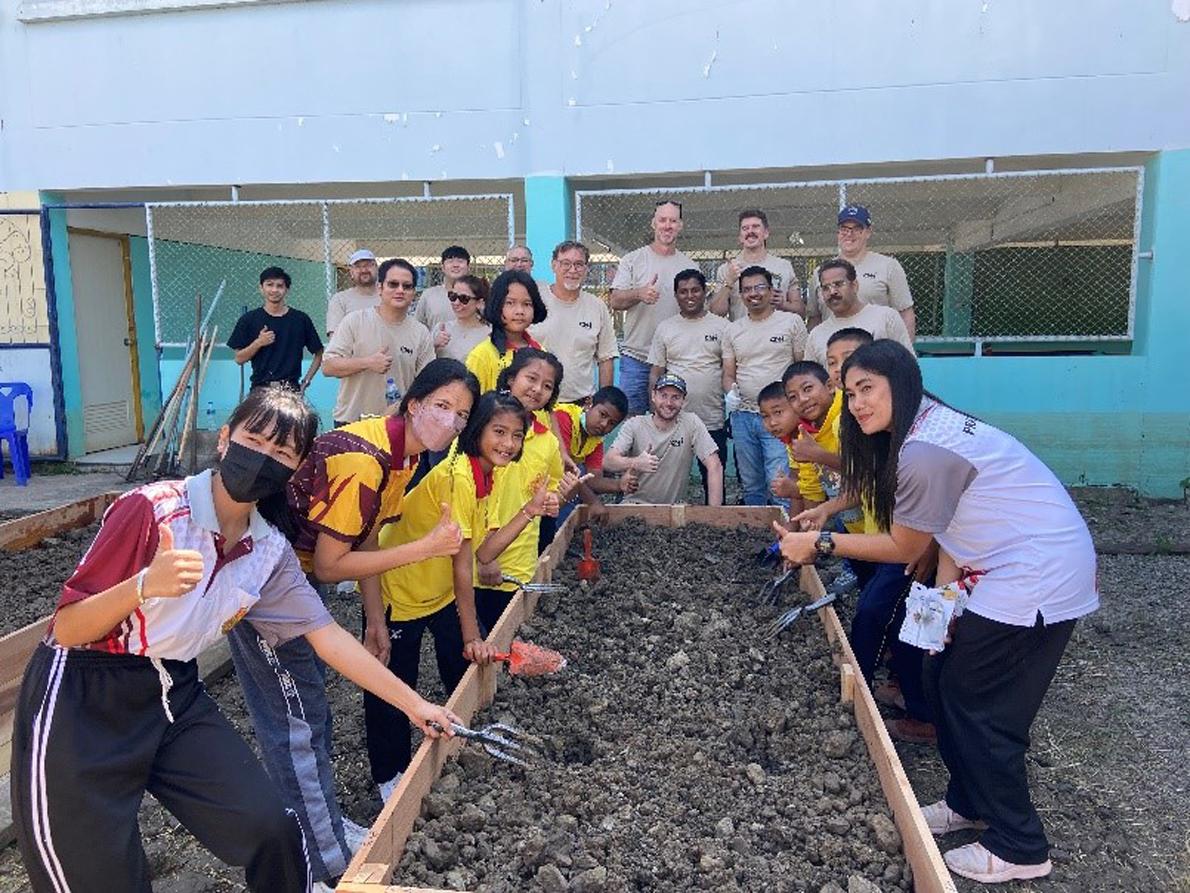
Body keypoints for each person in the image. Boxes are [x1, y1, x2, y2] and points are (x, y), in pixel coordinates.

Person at [11, 386, 460, 893]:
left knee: (270, 829)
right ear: (225, 439)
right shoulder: (153, 509)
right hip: (82, 699)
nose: (263, 457)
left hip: (173, 694)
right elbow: (66, 628)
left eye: (283, 452)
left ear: (295, 469)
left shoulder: (268, 551)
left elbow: (327, 636)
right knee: (98, 878)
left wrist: (414, 704)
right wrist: (143, 585)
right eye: (255, 439)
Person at [773, 339, 1097, 884]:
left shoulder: (924, 450)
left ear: (902, 384)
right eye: (850, 392)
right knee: (940, 675)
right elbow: (946, 532)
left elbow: (904, 546)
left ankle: (1020, 845)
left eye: (867, 388)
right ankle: (968, 802)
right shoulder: (923, 427)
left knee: (980, 707)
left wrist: (822, 545)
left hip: (1036, 576)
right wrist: (943, 608)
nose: (856, 403)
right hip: (996, 567)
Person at [223, 361, 476, 882]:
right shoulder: (367, 460)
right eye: (442, 407)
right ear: (413, 404)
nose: (450, 423)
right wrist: (424, 549)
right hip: (269, 585)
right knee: (296, 720)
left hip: (295, 575)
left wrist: (375, 617)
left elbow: (360, 536)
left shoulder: (403, 457)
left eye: (461, 416)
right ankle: (324, 864)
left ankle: (324, 829)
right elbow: (333, 563)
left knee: (309, 709)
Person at [369, 391, 561, 798]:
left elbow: (484, 552)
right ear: (476, 431)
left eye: (516, 435)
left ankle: (464, 736)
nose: (509, 443)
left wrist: (529, 509)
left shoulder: (487, 475)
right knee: (392, 684)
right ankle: (390, 778)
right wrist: (474, 634)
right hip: (402, 589)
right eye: (499, 432)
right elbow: (463, 567)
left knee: (462, 662)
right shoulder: (458, 476)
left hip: (436, 591)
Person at [475, 350, 585, 630]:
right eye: (531, 379)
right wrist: (484, 559)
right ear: (511, 378)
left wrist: (563, 494)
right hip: (477, 558)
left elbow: (548, 500)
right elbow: (466, 495)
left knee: (506, 633)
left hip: (520, 560)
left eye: (547, 386)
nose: (537, 390)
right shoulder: (482, 429)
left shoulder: (547, 442)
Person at [722, 266, 808, 507]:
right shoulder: (732, 330)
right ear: (740, 295)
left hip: (781, 417)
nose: (754, 294)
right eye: (747, 289)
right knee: (751, 482)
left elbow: (802, 369)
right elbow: (728, 374)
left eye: (760, 287)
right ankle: (755, 533)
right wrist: (730, 393)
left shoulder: (792, 322)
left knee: (779, 478)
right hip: (743, 416)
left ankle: (787, 536)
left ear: (771, 291)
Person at [648, 268, 731, 504]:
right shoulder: (666, 328)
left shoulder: (722, 327)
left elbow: (729, 371)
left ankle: (716, 522)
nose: (690, 296)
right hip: (674, 420)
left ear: (705, 292)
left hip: (712, 418)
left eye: (695, 290)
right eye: (683, 292)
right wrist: (656, 414)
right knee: (666, 481)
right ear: (676, 296)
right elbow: (655, 374)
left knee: (714, 477)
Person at [322, 257, 435, 426]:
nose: (400, 290)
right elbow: (328, 367)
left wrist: (401, 407)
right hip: (353, 422)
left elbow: (428, 382)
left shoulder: (420, 332)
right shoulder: (355, 321)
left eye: (407, 286)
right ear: (380, 288)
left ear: (413, 293)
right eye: (393, 284)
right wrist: (368, 363)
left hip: (398, 423)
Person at [609, 200, 696, 415]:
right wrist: (639, 293)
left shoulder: (690, 267)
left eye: (673, 221)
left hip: (674, 360)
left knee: (673, 424)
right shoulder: (633, 260)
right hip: (637, 359)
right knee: (632, 423)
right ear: (653, 223)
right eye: (662, 220)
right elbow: (615, 301)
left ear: (680, 225)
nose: (668, 225)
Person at [604, 374, 723, 506]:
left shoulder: (692, 423)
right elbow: (608, 461)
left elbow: (715, 466)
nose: (669, 403)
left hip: (675, 508)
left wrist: (715, 514)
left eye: (675, 397)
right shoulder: (634, 424)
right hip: (634, 504)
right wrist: (636, 462)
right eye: (663, 395)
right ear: (653, 396)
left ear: (683, 400)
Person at [529, 240, 619, 403]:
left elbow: (606, 359)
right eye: (566, 263)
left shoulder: (597, 307)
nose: (572, 270)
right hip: (534, 401)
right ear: (554, 265)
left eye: (579, 264)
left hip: (579, 404)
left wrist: (602, 403)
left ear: (586, 269)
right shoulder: (534, 298)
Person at [808, 206, 916, 338]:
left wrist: (905, 353)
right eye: (844, 229)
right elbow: (815, 317)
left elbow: (905, 312)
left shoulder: (888, 266)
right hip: (832, 351)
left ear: (868, 232)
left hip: (875, 349)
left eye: (857, 229)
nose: (849, 234)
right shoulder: (821, 272)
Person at [804, 258, 914, 368]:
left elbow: (909, 366)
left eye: (838, 284)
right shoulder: (817, 335)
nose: (832, 292)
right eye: (825, 288)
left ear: (855, 285)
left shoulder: (886, 318)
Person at [228, 266, 323, 393]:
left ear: (287, 289)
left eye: (280, 286)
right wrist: (258, 343)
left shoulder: (300, 319)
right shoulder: (249, 319)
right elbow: (239, 359)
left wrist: (306, 381)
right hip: (260, 389)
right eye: (269, 285)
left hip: (291, 389)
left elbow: (319, 352)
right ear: (261, 288)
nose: (274, 290)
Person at [552, 386, 631, 526]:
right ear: (589, 404)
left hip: (562, 480)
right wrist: (593, 502)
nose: (604, 424)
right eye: (603, 414)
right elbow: (565, 470)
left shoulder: (596, 440)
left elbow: (594, 480)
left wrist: (620, 485)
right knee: (575, 479)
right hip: (541, 476)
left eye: (612, 423)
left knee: (579, 478)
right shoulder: (564, 417)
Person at [711, 209, 804, 320]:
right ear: (740, 237)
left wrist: (784, 304)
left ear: (766, 233)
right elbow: (715, 313)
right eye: (745, 228)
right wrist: (729, 282)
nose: (750, 231)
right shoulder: (726, 269)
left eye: (755, 227)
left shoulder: (784, 266)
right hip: (742, 335)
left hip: (778, 334)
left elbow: (801, 312)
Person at [465, 269, 548, 392]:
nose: (519, 311)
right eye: (510, 303)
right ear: (497, 305)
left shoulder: (539, 351)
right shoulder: (481, 356)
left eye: (527, 304)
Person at [432, 274, 492, 363]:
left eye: (464, 298)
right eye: (453, 296)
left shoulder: (489, 334)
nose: (456, 303)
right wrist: (433, 345)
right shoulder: (441, 328)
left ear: (480, 303)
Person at [415, 245, 472, 331]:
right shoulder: (429, 295)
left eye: (460, 261)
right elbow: (418, 328)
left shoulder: (478, 295)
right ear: (443, 267)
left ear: (468, 267)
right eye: (450, 261)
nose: (455, 265)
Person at [326, 248, 380, 337]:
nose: (364, 270)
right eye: (358, 266)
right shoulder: (339, 300)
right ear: (351, 272)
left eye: (368, 265)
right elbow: (335, 339)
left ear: (376, 268)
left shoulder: (390, 295)